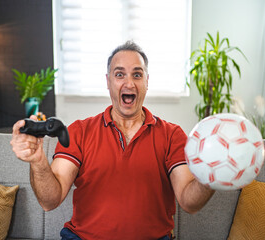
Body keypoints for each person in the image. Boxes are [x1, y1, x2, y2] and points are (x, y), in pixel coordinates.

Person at [11, 41, 215, 240]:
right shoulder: (80, 131)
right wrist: (38, 162)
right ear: (108, 81)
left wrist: (212, 174)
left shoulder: (172, 135)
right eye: (119, 75)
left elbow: (190, 203)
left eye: (137, 74)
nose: (129, 83)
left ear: (146, 82)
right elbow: (50, 201)